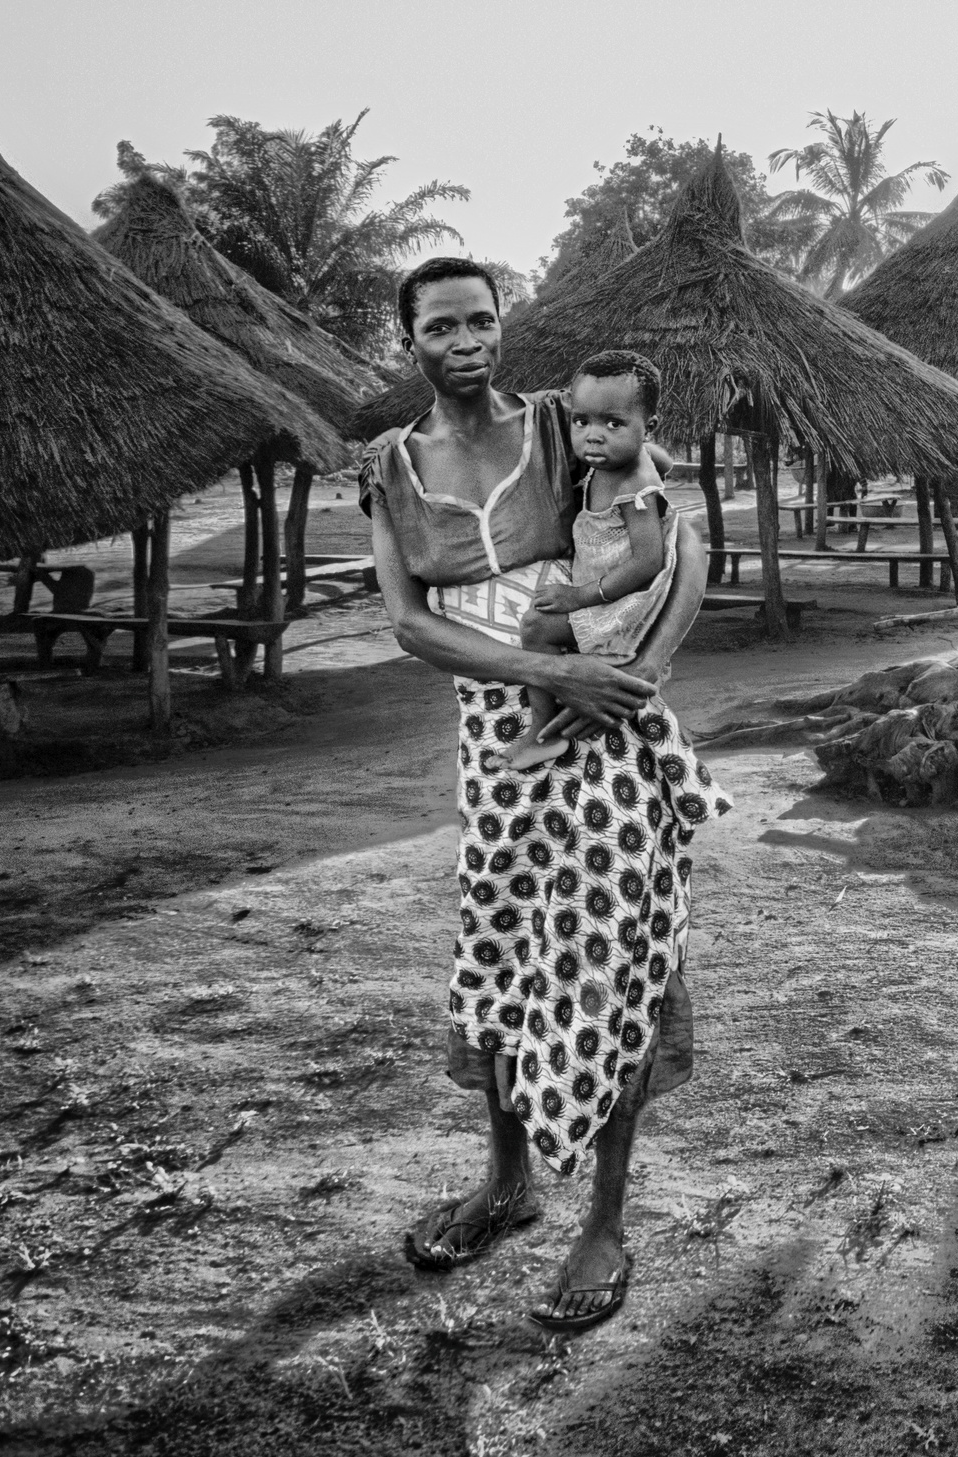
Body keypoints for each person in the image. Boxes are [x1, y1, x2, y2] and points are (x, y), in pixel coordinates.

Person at [360, 256, 731, 1336]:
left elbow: (682, 539)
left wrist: (639, 667)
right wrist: (542, 672)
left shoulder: (567, 429)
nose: (465, 340)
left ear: (501, 327)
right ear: (409, 339)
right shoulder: (391, 466)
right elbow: (411, 624)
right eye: (441, 326)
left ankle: (604, 1221)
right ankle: (508, 1182)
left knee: (607, 950)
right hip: (496, 730)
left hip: (601, 716)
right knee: (504, 942)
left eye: (481, 320)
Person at [507, 350, 672, 772]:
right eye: (581, 422)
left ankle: (544, 733)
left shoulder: (635, 484)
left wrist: (580, 596)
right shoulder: (619, 461)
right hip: (608, 586)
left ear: (649, 427)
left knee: (536, 627)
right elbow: (664, 460)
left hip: (625, 599)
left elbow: (647, 562)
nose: (593, 437)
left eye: (613, 424)